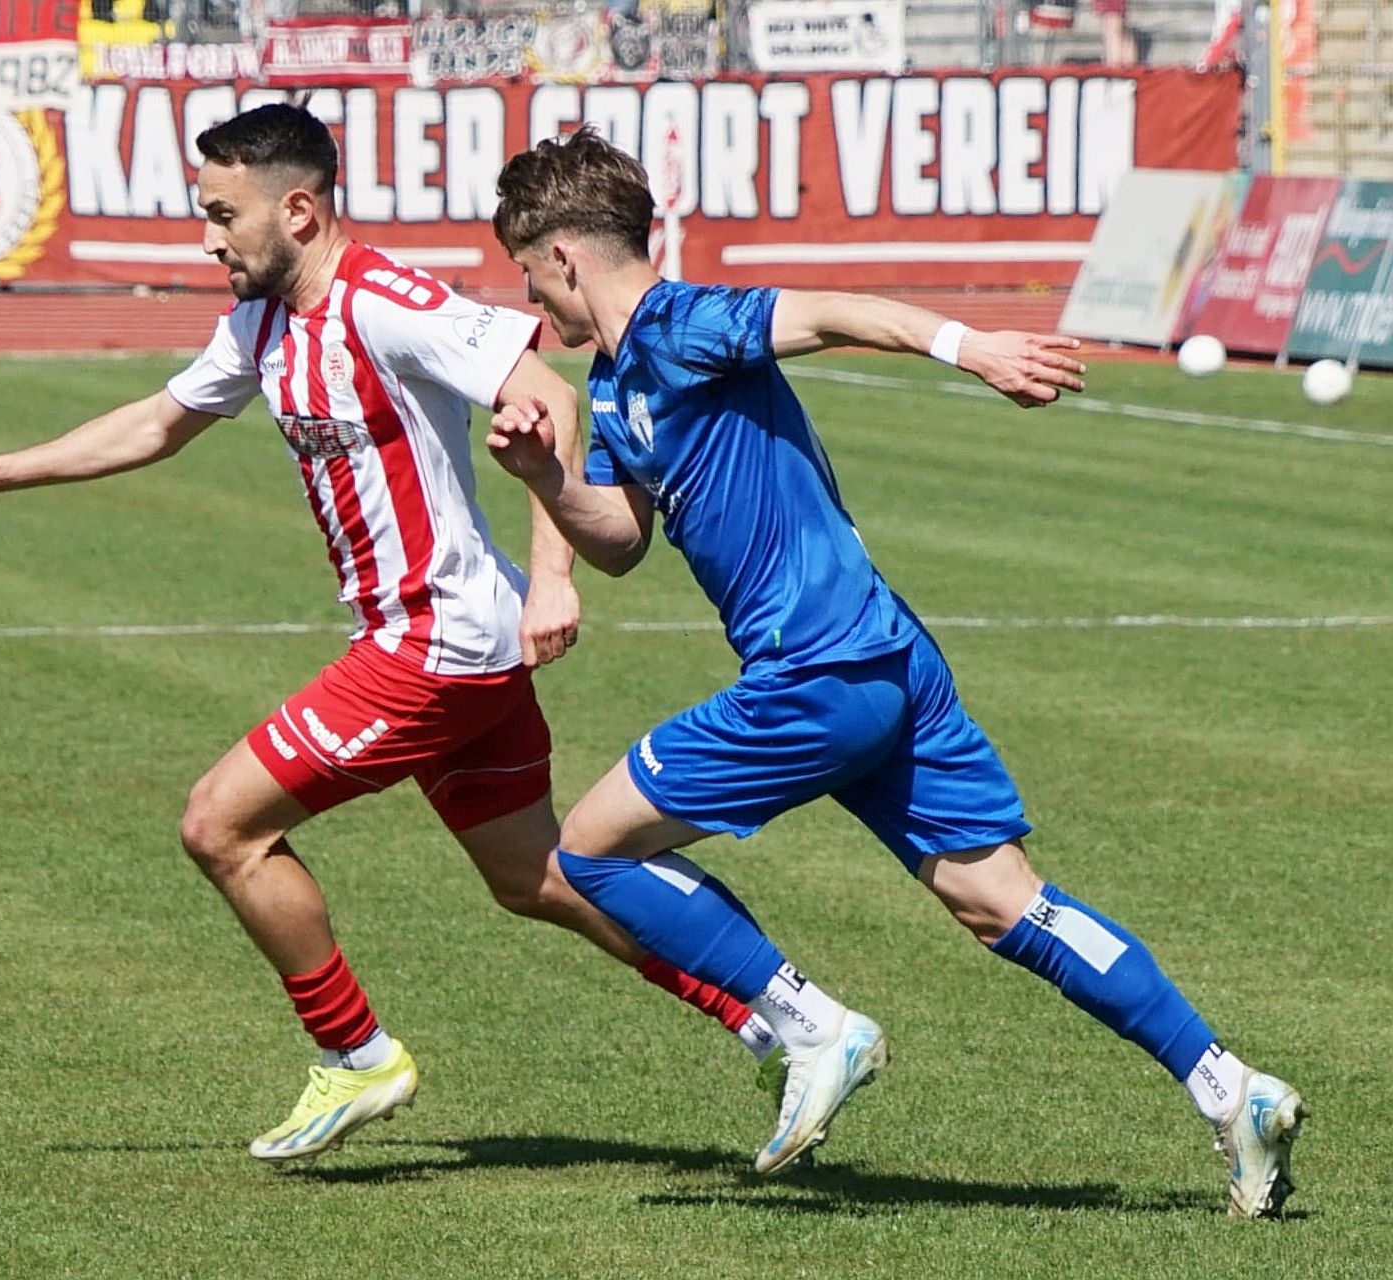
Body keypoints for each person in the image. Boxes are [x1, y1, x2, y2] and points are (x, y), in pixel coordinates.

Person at [0, 104, 796, 1164]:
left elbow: (544, 392)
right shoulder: (262, 322)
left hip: (433, 642)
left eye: (224, 215)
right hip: (449, 641)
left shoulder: (384, 300)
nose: (208, 239)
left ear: (300, 212)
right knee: (537, 875)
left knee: (220, 825)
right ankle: (778, 1016)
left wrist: (554, 578)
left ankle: (357, 1053)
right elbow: (160, 422)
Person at [482, 127, 1307, 1216]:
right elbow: (622, 541)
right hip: (884, 658)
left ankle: (811, 1025)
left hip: (816, 670)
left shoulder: (685, 324)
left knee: (587, 848)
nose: (533, 300)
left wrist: (974, 350)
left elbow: (835, 313)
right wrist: (545, 476)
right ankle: (1231, 1087)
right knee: (1001, 900)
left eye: (529, 272)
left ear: (565, 255)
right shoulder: (614, 382)